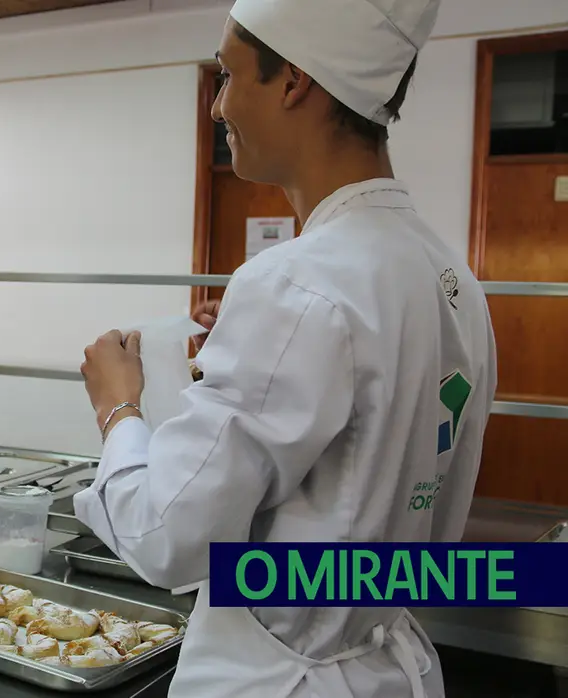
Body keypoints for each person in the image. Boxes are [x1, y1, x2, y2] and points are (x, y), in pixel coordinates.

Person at [75, 1, 496, 696]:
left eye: (230, 76)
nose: (218, 107)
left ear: (294, 81)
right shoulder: (448, 276)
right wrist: (247, 358)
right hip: (385, 666)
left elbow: (165, 537)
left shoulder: (296, 283)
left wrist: (119, 407)